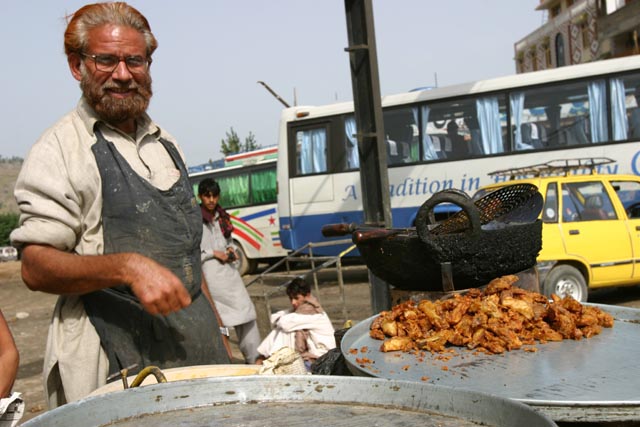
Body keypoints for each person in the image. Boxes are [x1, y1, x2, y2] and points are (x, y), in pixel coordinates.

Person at [10, 2, 230, 408]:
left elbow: (189, 262)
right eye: (106, 61)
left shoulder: (168, 144)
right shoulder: (59, 151)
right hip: (113, 361)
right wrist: (127, 266)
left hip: (194, 349)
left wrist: (221, 337)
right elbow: (35, 266)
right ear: (78, 67)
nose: (124, 75)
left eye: (135, 61)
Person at [198, 179, 261, 364]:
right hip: (210, 279)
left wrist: (231, 250)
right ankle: (225, 362)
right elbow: (193, 252)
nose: (211, 200)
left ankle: (255, 358)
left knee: (247, 313)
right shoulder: (195, 219)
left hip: (230, 276)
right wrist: (214, 253)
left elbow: (228, 241)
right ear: (200, 197)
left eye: (214, 196)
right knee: (220, 323)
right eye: (207, 196)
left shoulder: (223, 217)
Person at [256, 277, 336, 370]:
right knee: (287, 329)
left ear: (307, 296)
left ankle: (267, 359)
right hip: (312, 357)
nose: (293, 302)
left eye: (297, 298)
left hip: (322, 359)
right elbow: (276, 318)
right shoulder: (300, 311)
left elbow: (284, 323)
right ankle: (268, 358)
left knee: (285, 331)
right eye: (291, 298)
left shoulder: (314, 313)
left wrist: (280, 319)